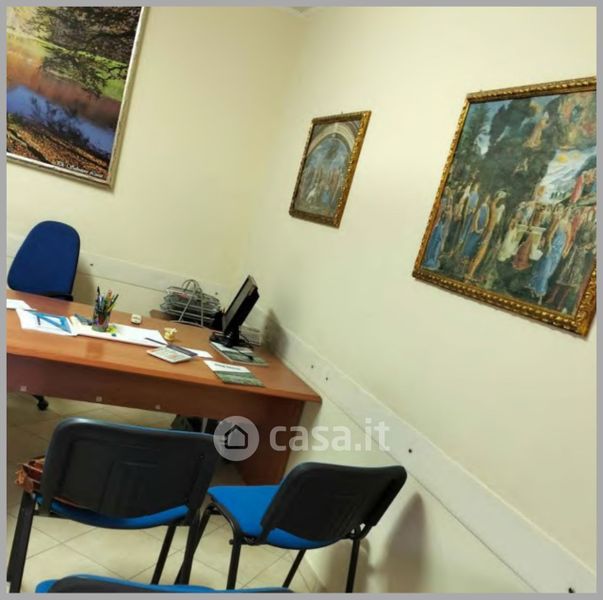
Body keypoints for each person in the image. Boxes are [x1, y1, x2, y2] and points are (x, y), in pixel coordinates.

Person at [530, 205, 572, 303]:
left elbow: (568, 239)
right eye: (566, 211)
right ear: (564, 212)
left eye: (569, 212)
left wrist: (565, 250)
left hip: (558, 251)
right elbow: (550, 234)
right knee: (544, 271)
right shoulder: (558, 221)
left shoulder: (569, 224)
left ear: (570, 214)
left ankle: (534, 286)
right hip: (552, 248)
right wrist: (549, 246)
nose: (567, 213)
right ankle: (540, 293)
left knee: (550, 272)